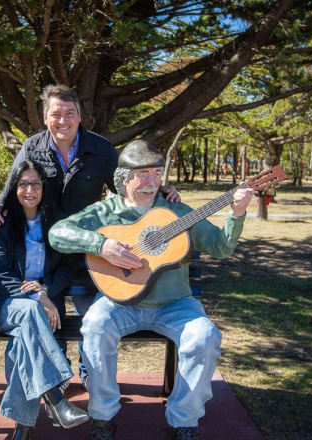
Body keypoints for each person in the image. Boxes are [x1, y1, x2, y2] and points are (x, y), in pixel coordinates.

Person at [48, 140, 255, 440]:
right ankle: (103, 417)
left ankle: (184, 420)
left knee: (205, 336)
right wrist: (101, 245)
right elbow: (58, 234)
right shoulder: (106, 211)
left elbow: (220, 247)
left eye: (157, 174)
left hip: (175, 304)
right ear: (124, 178)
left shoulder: (175, 210)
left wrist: (236, 214)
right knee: (94, 325)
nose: (152, 183)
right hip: (119, 302)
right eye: (143, 175)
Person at [0, 84, 181, 386]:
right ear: (44, 116)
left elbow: (127, 184)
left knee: (92, 315)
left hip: (89, 246)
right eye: (55, 114)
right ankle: (57, 370)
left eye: (69, 113)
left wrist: (158, 191)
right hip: (47, 248)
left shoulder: (101, 149)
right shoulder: (32, 146)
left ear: (80, 115)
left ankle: (88, 366)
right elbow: (15, 182)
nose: (62, 120)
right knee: (47, 304)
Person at [0, 160, 90, 439]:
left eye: (35, 184)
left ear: (44, 188)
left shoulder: (56, 222)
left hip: (42, 309)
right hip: (5, 304)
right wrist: (37, 295)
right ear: (14, 188)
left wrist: (45, 290)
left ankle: (23, 429)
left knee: (23, 344)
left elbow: (69, 265)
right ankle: (56, 397)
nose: (29, 190)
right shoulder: (3, 222)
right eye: (23, 184)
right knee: (31, 312)